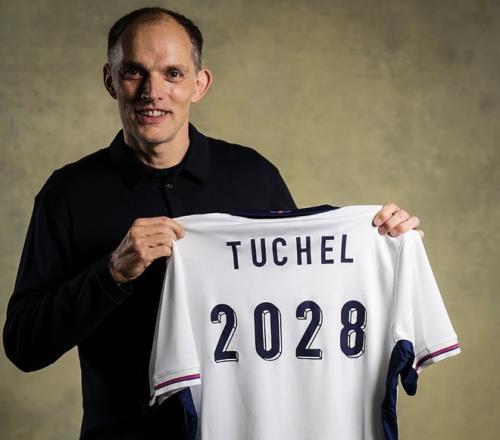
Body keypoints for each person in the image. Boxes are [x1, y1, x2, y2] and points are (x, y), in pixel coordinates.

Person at [2, 7, 422, 440]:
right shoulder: (67, 193)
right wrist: (111, 274)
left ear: (199, 84)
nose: (152, 92)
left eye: (173, 74)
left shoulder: (254, 177)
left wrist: (383, 244)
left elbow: (309, 298)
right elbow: (23, 346)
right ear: (110, 80)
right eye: (133, 72)